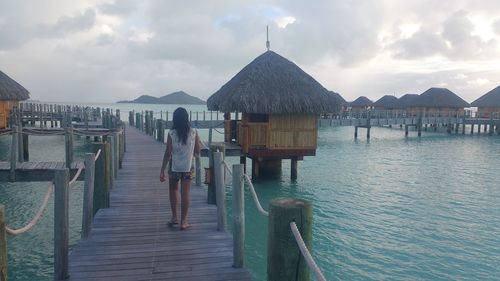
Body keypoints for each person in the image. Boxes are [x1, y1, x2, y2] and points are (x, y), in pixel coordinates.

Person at [160, 107, 201, 230]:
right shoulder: (194, 132)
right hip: (188, 167)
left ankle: (174, 217)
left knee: (173, 190)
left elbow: (168, 153)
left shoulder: (171, 133)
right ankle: (184, 222)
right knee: (185, 193)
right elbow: (198, 150)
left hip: (174, 166)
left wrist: (162, 170)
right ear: (186, 118)